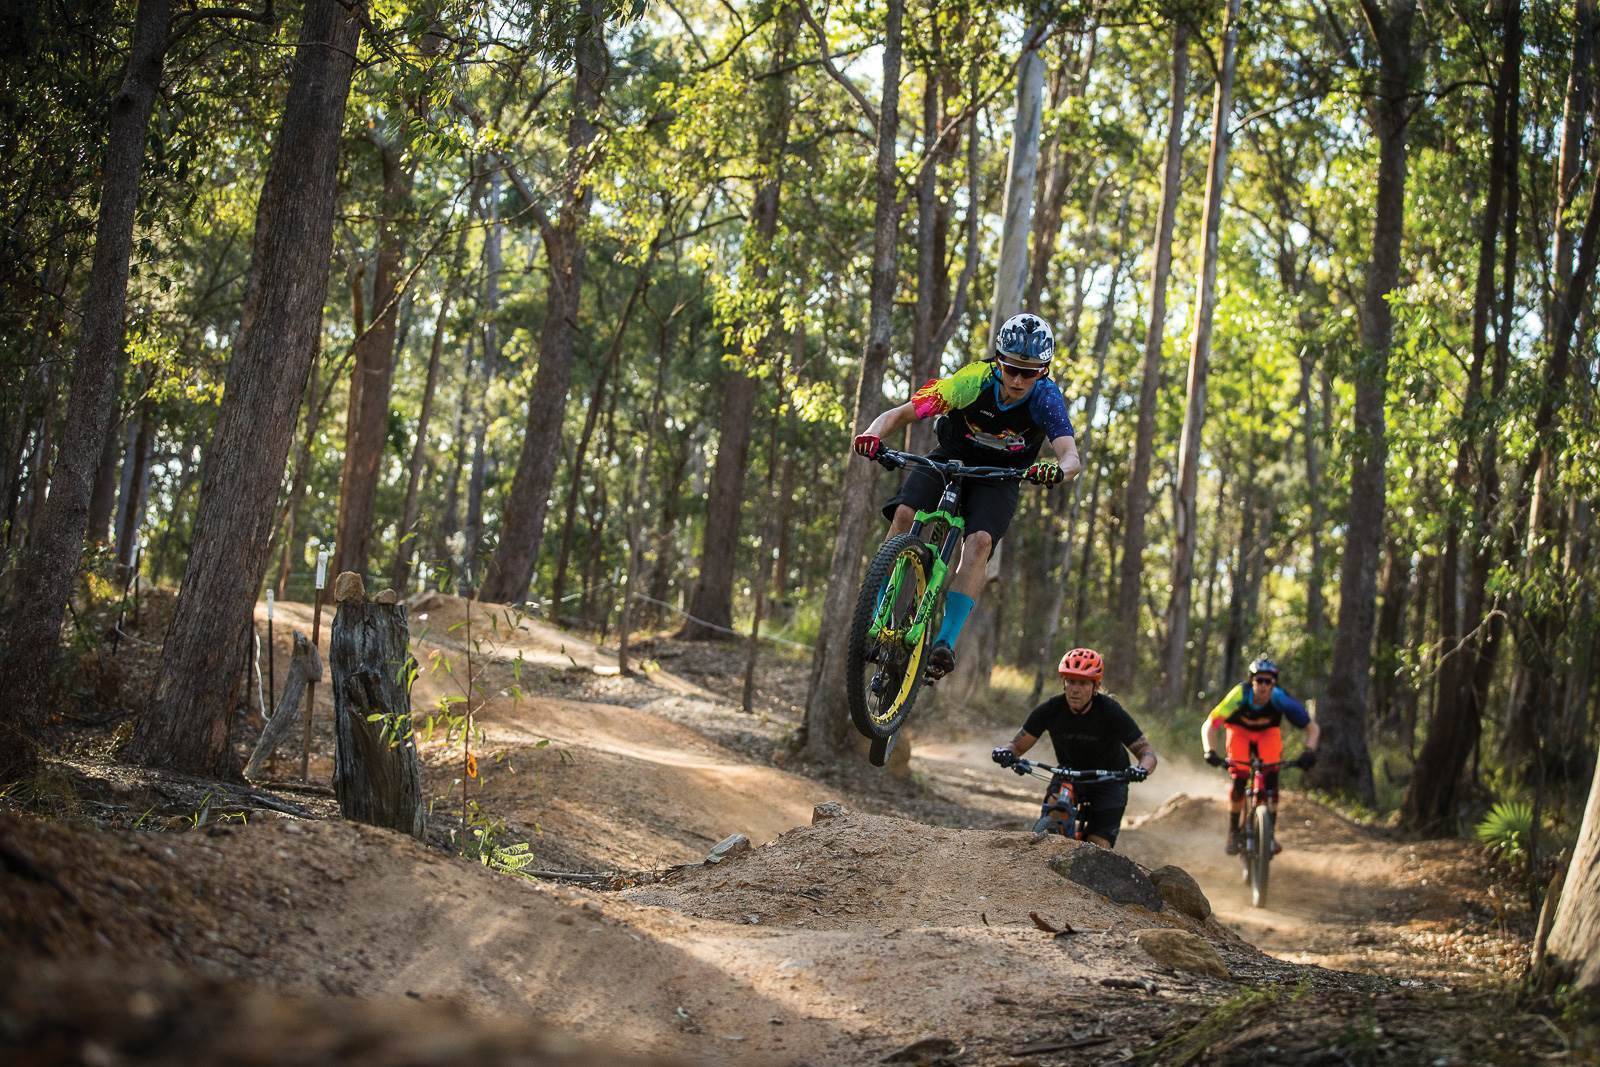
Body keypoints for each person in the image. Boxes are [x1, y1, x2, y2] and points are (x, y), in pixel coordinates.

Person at [852, 313, 1081, 678]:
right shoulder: (971, 380)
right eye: (1012, 369)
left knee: (979, 543)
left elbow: (1071, 457)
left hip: (1001, 476)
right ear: (998, 362)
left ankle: (944, 642)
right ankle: (876, 609)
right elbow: (901, 413)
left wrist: (1055, 469)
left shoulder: (1046, 400)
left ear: (1044, 371)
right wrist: (871, 434)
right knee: (906, 514)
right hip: (950, 458)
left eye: (1031, 372)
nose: (1019, 379)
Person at [990, 648, 1158, 849]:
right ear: (1064, 683)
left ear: (1095, 686)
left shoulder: (1110, 711)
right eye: (1070, 681)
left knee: (1097, 847)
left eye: (1083, 683)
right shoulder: (1051, 709)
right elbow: (1017, 745)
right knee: (1053, 814)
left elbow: (1146, 752)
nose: (1075, 689)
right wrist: (1006, 753)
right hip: (1068, 773)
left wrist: (1141, 769)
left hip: (1110, 779)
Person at [1200, 655, 1321, 855]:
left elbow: (1313, 728)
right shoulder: (1239, 695)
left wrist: (1309, 751)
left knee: (1271, 777)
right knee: (1239, 777)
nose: (1263, 686)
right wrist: (1209, 750)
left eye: (1268, 681)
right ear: (1251, 681)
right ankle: (1233, 833)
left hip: (1267, 734)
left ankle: (1269, 835)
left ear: (1274, 683)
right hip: (1239, 733)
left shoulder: (1280, 698)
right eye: (1259, 680)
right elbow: (1210, 725)